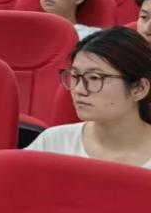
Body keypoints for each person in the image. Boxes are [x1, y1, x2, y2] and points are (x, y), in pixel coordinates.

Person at [28, 27, 151, 168]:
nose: (79, 90)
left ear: (139, 89)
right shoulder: (53, 142)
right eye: (75, 76)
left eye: (94, 78)